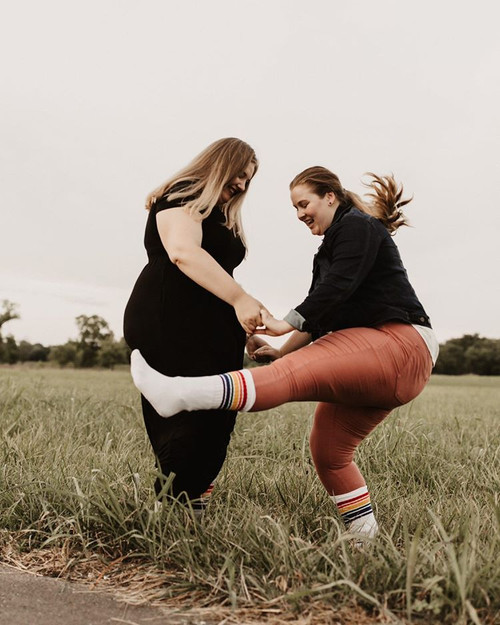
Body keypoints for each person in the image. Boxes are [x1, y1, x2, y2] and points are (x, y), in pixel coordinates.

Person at [129, 166, 439, 539]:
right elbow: (319, 320)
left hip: (398, 343)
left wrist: (284, 323)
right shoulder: (331, 249)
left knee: (287, 378)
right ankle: (366, 540)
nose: (300, 214)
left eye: (304, 203)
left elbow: (334, 290)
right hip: (387, 366)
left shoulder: (356, 227)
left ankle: (176, 393)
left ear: (330, 196)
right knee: (330, 453)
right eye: (294, 208)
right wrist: (279, 350)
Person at [123, 137, 261, 514]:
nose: (242, 186)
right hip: (171, 320)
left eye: (249, 181)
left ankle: (186, 507)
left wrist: (243, 323)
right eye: (239, 176)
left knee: (217, 419)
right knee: (188, 421)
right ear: (220, 164)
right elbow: (183, 253)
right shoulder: (181, 195)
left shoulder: (220, 213)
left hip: (212, 327)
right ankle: (175, 510)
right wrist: (239, 299)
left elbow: (220, 273)